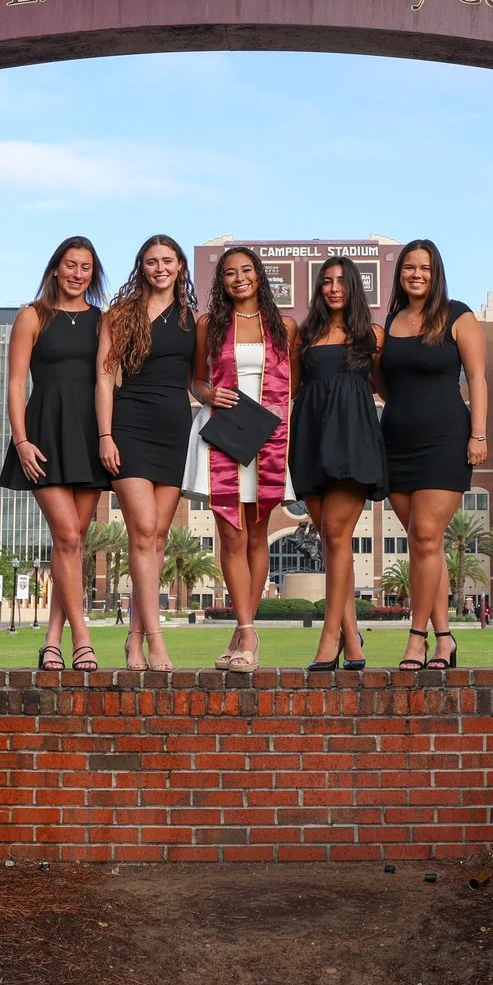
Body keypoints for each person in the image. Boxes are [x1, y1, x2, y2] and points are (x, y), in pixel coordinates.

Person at [0, 236, 110, 672]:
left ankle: (51, 641)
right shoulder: (33, 315)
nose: (77, 273)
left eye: (85, 267)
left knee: (74, 542)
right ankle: (82, 639)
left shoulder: (102, 321)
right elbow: (15, 384)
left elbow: (109, 379)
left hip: (87, 435)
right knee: (66, 535)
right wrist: (21, 441)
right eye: (70, 264)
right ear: (56, 268)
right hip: (44, 433)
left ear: (93, 274)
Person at [379, 239, 489, 672]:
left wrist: (478, 435)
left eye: (424, 268)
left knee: (425, 536)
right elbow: (384, 385)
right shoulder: (390, 322)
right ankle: (446, 638)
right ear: (400, 274)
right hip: (396, 441)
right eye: (409, 267)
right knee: (425, 544)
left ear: (436, 272)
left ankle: (417, 638)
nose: (416, 274)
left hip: (445, 439)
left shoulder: (458, 315)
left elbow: (477, 377)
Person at [189, 246, 293, 673]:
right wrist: (209, 394)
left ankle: (242, 634)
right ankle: (247, 632)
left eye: (246, 270)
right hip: (225, 434)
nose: (239, 278)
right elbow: (196, 381)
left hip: (268, 437)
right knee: (230, 536)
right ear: (222, 282)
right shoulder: (209, 325)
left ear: (259, 275)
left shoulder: (283, 326)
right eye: (230, 273)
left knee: (257, 535)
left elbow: (295, 387)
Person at [97, 234, 197, 671]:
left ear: (180, 267)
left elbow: (196, 382)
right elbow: (105, 378)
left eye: (167, 260)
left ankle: (134, 638)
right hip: (130, 426)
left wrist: (216, 395)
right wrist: (105, 435)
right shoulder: (119, 315)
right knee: (143, 530)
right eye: (152, 261)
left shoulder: (192, 320)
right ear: (142, 266)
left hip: (175, 431)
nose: (160, 268)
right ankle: (155, 639)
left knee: (157, 539)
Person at [286, 256, 385, 671]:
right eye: (326, 281)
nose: (333, 288)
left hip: (352, 439)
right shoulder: (304, 334)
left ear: (354, 286)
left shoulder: (372, 335)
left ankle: (330, 636)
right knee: (329, 539)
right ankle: (352, 637)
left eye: (341, 281)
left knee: (338, 535)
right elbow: (291, 388)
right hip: (310, 436)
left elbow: (385, 389)